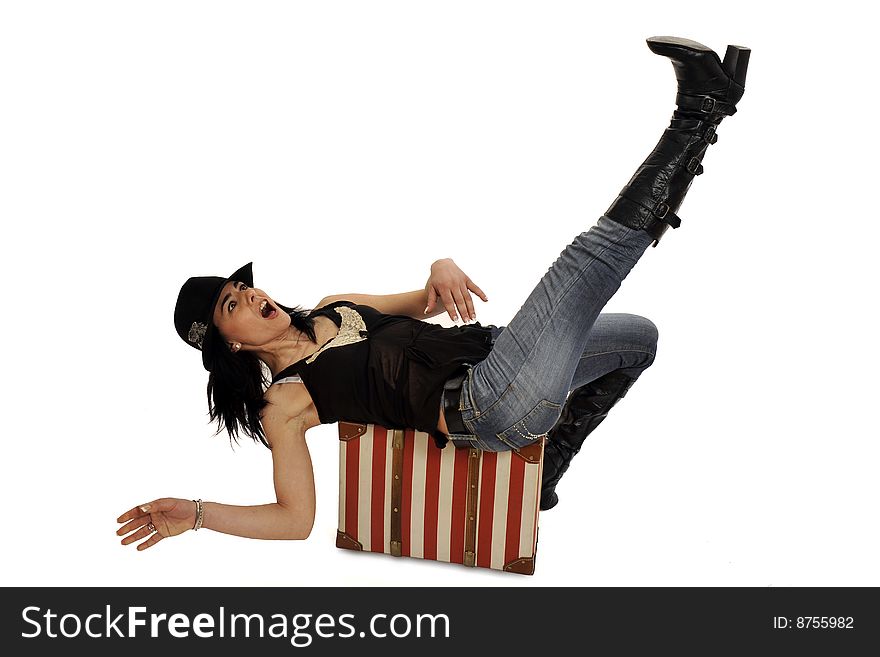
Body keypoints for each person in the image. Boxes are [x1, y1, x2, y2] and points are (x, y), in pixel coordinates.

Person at [117, 36, 750, 550]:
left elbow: (425, 301)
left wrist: (440, 267)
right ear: (227, 346)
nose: (253, 298)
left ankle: (548, 468)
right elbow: (293, 520)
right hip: (484, 405)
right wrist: (197, 513)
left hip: (500, 354)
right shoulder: (284, 403)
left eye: (242, 289)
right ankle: (700, 112)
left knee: (639, 339)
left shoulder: (339, 306)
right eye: (232, 305)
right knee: (592, 258)